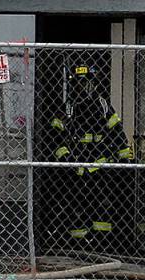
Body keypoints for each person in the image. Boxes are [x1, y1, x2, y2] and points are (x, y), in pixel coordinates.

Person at [46, 62, 135, 251]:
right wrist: (67, 161)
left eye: (86, 83)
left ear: (94, 83)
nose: (82, 87)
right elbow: (55, 137)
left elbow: (117, 133)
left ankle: (102, 247)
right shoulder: (67, 108)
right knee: (76, 208)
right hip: (75, 169)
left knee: (103, 207)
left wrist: (125, 160)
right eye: (78, 83)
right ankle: (77, 248)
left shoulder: (103, 106)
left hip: (100, 168)